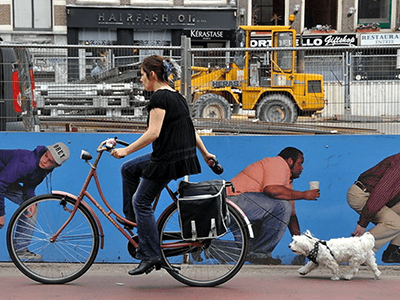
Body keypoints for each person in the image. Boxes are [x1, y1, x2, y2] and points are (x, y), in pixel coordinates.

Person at [111, 55, 216, 276]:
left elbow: (153, 133)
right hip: (176, 156)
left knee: (141, 202)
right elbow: (191, 130)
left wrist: (125, 150)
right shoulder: (177, 96)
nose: (140, 80)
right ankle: (136, 224)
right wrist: (206, 154)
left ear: (152, 75)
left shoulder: (158, 98)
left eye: (141, 75)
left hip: (166, 160)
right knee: (128, 169)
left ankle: (150, 254)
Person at [227, 147, 320, 265]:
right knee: (282, 206)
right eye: (300, 163)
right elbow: (272, 190)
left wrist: (301, 246)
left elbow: (290, 216)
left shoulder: (286, 182)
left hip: (241, 206)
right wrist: (304, 195)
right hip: (233, 202)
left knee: (246, 249)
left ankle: (208, 249)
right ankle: (260, 254)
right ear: (290, 161)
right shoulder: (278, 163)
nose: (302, 168)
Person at [0, 142, 70, 259]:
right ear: (45, 151)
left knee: (31, 206)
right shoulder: (27, 162)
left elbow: (29, 185)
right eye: (46, 156)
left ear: (57, 166)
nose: (45, 161)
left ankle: (20, 250)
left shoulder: (43, 169)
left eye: (51, 161)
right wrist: (1, 213)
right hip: (1, 181)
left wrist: (30, 199)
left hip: (2, 178)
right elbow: (1, 184)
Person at [347, 153, 400, 263]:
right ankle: (357, 252)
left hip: (378, 198)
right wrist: (363, 222)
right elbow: (381, 194)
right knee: (394, 223)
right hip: (362, 195)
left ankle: (392, 251)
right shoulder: (398, 166)